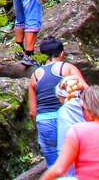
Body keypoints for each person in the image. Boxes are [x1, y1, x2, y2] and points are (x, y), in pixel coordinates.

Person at [27, 36, 88, 170]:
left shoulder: (35, 76)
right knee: (77, 163)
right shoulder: (67, 68)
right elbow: (87, 90)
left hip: (44, 123)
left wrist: (38, 128)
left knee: (54, 168)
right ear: (62, 54)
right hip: (67, 119)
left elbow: (32, 112)